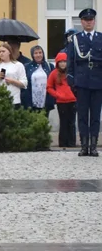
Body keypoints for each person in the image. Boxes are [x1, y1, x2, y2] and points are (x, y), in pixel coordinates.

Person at [64, 8, 102, 156]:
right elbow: (71, 61)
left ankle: (93, 146)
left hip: (98, 82)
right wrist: (71, 80)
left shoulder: (100, 38)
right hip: (82, 81)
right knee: (82, 115)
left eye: (91, 19)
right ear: (81, 22)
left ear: (94, 21)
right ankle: (84, 146)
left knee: (95, 115)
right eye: (86, 20)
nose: (88, 22)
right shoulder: (76, 39)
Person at [48, 51, 77, 148]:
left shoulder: (71, 73)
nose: (63, 64)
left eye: (64, 61)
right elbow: (49, 87)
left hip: (72, 101)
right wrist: (57, 95)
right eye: (60, 62)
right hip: (61, 102)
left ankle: (72, 143)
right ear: (57, 63)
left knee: (72, 123)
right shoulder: (54, 73)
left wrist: (76, 95)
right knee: (63, 122)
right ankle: (63, 143)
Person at [23, 44, 54, 112]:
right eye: (36, 53)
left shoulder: (49, 66)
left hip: (45, 100)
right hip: (31, 100)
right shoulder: (27, 67)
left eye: (40, 52)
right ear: (32, 55)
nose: (38, 55)